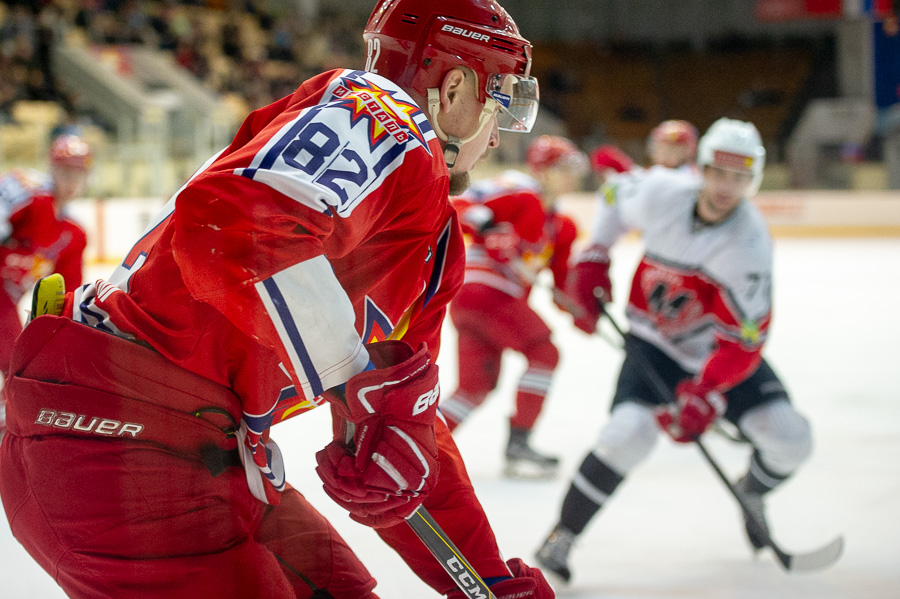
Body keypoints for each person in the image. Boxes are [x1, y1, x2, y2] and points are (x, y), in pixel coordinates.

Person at [0, 2, 554, 598]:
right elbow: (230, 226)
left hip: (199, 449)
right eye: (500, 103)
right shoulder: (380, 112)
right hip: (117, 439)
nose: (498, 134)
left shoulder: (434, 242)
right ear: (455, 87)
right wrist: (350, 376)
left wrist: (490, 578)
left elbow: (402, 429)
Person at [535, 118, 813, 583]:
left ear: (754, 180)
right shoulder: (661, 191)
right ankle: (561, 536)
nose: (727, 187)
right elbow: (612, 195)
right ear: (701, 169)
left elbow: (746, 342)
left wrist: (707, 391)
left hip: (714, 356)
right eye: (720, 173)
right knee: (626, 436)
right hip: (654, 344)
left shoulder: (750, 247)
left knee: (791, 439)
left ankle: (753, 491)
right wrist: (595, 255)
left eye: (740, 177)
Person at [441, 135, 587, 477]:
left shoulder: (562, 227)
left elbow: (563, 284)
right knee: (544, 354)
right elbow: (453, 202)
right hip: (484, 290)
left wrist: (583, 310)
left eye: (572, 169)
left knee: (473, 388)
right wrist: (488, 226)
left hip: (483, 304)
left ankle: (419, 448)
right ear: (541, 170)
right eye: (561, 168)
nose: (570, 176)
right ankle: (519, 441)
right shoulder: (519, 191)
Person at [0, 135, 90, 436]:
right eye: (65, 171)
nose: (71, 180)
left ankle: (10, 411)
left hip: (6, 300)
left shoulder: (73, 234)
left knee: (19, 357)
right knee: (14, 356)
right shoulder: (32, 198)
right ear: (52, 169)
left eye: (79, 173)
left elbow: (67, 296)